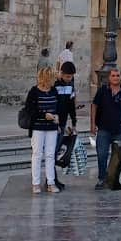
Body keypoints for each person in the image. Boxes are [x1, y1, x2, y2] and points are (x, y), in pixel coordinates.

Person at [91, 67, 121, 188]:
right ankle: (102, 178)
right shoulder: (102, 91)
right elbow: (94, 106)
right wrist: (93, 124)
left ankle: (115, 178)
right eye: (113, 76)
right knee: (102, 154)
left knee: (119, 156)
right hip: (104, 129)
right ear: (109, 78)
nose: (116, 78)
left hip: (119, 130)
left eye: (118, 75)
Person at [24, 66, 61, 195]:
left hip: (51, 127)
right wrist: (44, 115)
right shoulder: (34, 92)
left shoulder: (54, 91)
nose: (54, 79)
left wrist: (57, 117)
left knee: (50, 154)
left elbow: (58, 107)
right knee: (37, 154)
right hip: (38, 127)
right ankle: (36, 183)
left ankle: (51, 182)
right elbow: (30, 110)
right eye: (52, 77)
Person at [51, 60, 78, 192]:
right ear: (61, 74)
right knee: (53, 152)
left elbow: (71, 106)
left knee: (56, 152)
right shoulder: (54, 85)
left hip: (62, 123)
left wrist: (73, 122)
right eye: (67, 76)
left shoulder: (71, 86)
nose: (69, 79)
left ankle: (53, 178)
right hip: (53, 123)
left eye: (71, 77)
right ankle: (51, 179)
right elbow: (52, 105)